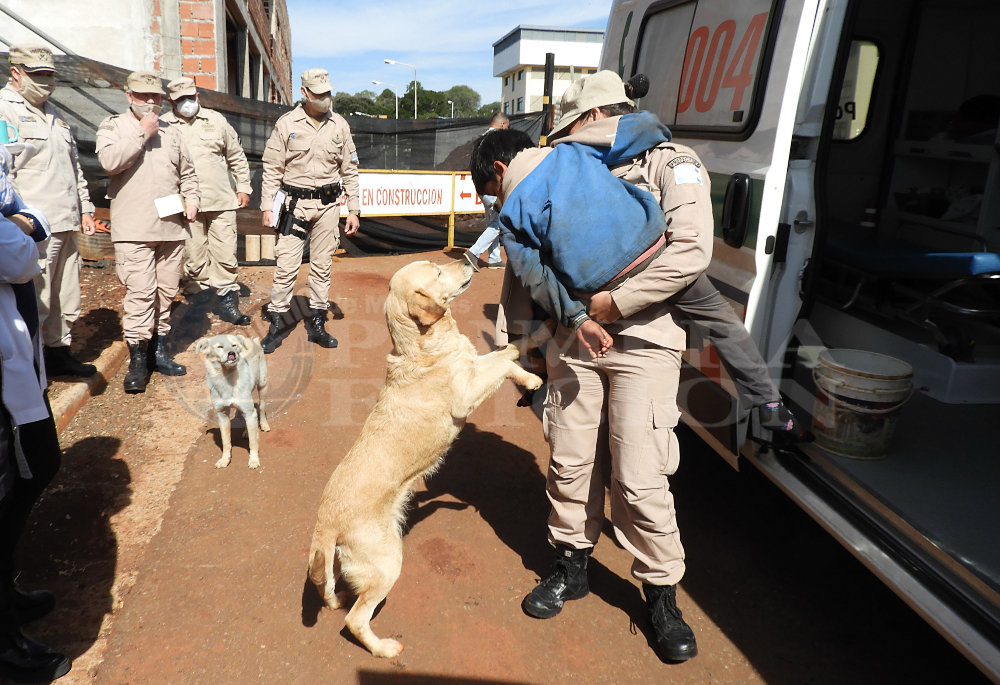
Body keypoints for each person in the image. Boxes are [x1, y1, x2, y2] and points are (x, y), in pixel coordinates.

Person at [0, 148, 71, 683]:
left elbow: (34, 216)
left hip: (17, 361)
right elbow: (20, 255)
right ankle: (5, 643)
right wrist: (20, 222)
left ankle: (5, 595)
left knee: (38, 466)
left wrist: (20, 220)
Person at [96, 71, 200, 393]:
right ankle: (138, 360)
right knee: (140, 294)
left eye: (155, 97)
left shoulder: (173, 132)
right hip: (134, 227)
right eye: (144, 97)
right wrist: (141, 134)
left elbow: (189, 173)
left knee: (166, 292)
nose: (151, 102)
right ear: (129, 96)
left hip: (170, 226)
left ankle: (158, 351)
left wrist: (193, 199)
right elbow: (110, 162)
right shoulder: (113, 126)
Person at [0, 45, 98, 378]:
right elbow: (4, 174)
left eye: (49, 76)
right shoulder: (5, 111)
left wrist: (85, 208)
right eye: (37, 75)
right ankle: (29, 369)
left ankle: (58, 355)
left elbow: (74, 168)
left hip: (67, 220)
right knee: (35, 301)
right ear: (16, 72)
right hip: (34, 227)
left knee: (65, 296)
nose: (45, 82)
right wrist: (13, 220)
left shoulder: (55, 114)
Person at [259, 68, 361, 354]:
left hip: (329, 206)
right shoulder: (286, 124)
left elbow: (349, 170)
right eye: (319, 94)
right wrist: (267, 206)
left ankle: (317, 322)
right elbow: (272, 169)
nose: (325, 99)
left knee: (322, 266)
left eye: (328, 93)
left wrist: (353, 209)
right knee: (287, 265)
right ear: (304, 93)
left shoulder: (339, 125)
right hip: (294, 205)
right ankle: (277, 322)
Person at [161, 77, 253, 325]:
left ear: (198, 96)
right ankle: (197, 307)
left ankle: (226, 303)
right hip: (184, 206)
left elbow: (236, 156)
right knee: (194, 257)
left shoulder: (216, 121)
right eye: (180, 99)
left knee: (225, 254)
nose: (187, 103)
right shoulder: (163, 125)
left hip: (221, 201)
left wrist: (243, 187)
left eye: (191, 97)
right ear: (171, 101)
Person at [464, 111, 511, 271]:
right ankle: (473, 253)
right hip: (493, 188)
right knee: (498, 224)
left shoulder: (481, 140)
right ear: (502, 124)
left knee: (492, 222)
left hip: (482, 187)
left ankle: (494, 258)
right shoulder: (497, 140)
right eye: (507, 127)